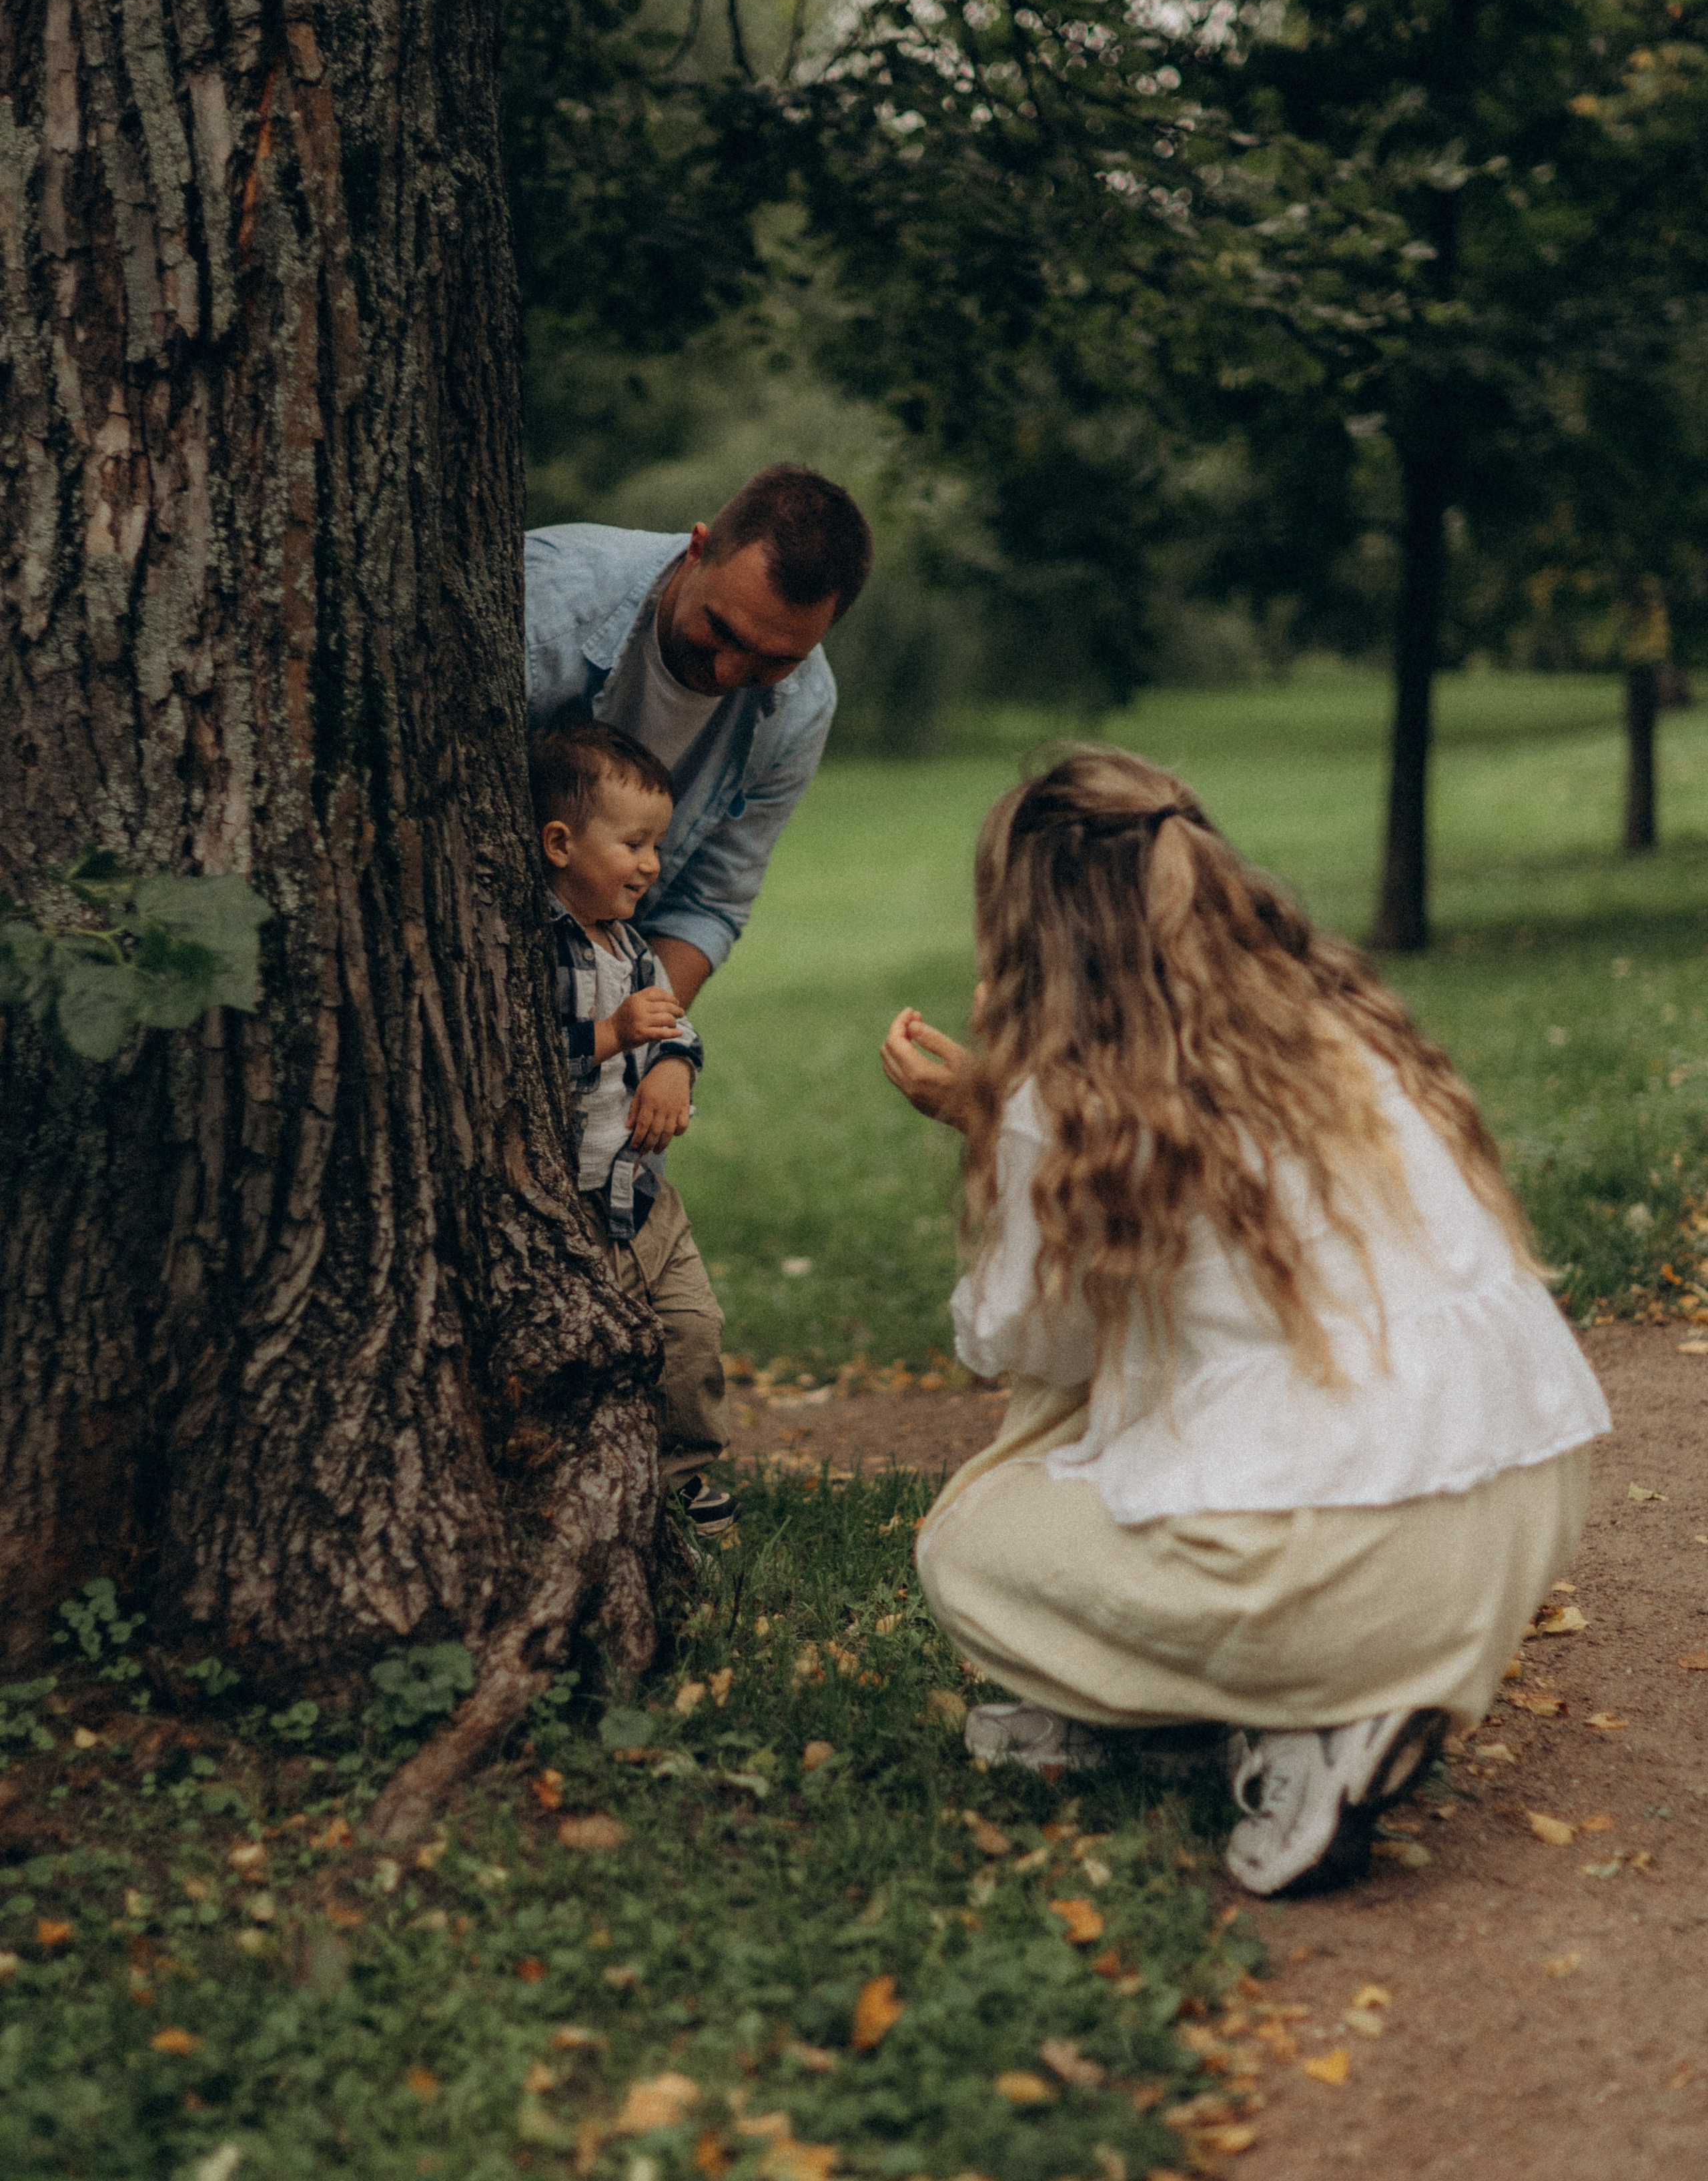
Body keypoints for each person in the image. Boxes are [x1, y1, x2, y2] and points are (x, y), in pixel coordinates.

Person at [879, 746, 1610, 1897]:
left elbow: (1028, 1349)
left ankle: (1301, 1721)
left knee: (967, 1549)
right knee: (1160, 1383)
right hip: (1519, 1505)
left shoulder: (1062, 1097)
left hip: (1348, 1561)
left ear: (1037, 925)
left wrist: (996, 1121)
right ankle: (1249, 1698)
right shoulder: (1331, 1024)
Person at [526, 465, 874, 1011]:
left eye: (777, 659)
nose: (730, 673)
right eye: (723, 631)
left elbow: (708, 902)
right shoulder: (545, 607)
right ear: (697, 549)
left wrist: (653, 1050)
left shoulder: (805, 705)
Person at [530, 720, 737, 1539]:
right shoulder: (531, 945)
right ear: (559, 843)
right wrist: (611, 1037)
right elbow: (514, 1058)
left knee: (693, 1331)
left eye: (659, 845)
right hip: (571, 1201)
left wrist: (674, 1065)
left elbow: (674, 1026)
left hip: (646, 1195)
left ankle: (685, 1478)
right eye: (636, 844)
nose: (653, 865)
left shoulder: (630, 947)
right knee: (592, 1357)